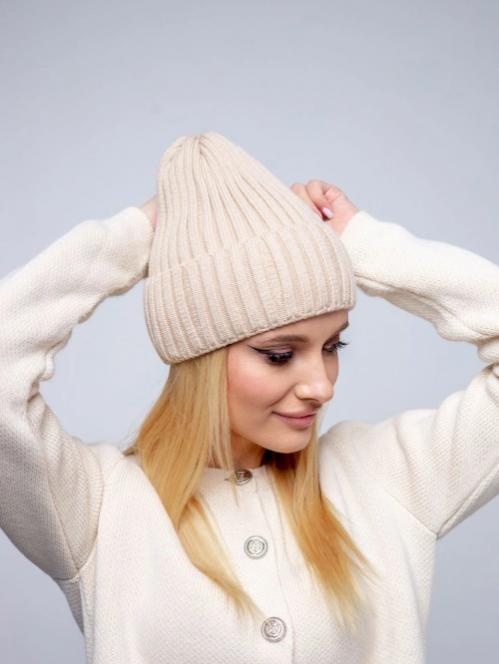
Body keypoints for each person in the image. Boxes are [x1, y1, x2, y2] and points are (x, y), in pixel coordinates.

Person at [1, 131, 498, 663]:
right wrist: (132, 239)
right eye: (280, 355)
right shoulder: (98, 506)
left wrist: (363, 246)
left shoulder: (384, 477)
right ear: (201, 359)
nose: (322, 386)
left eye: (333, 346)